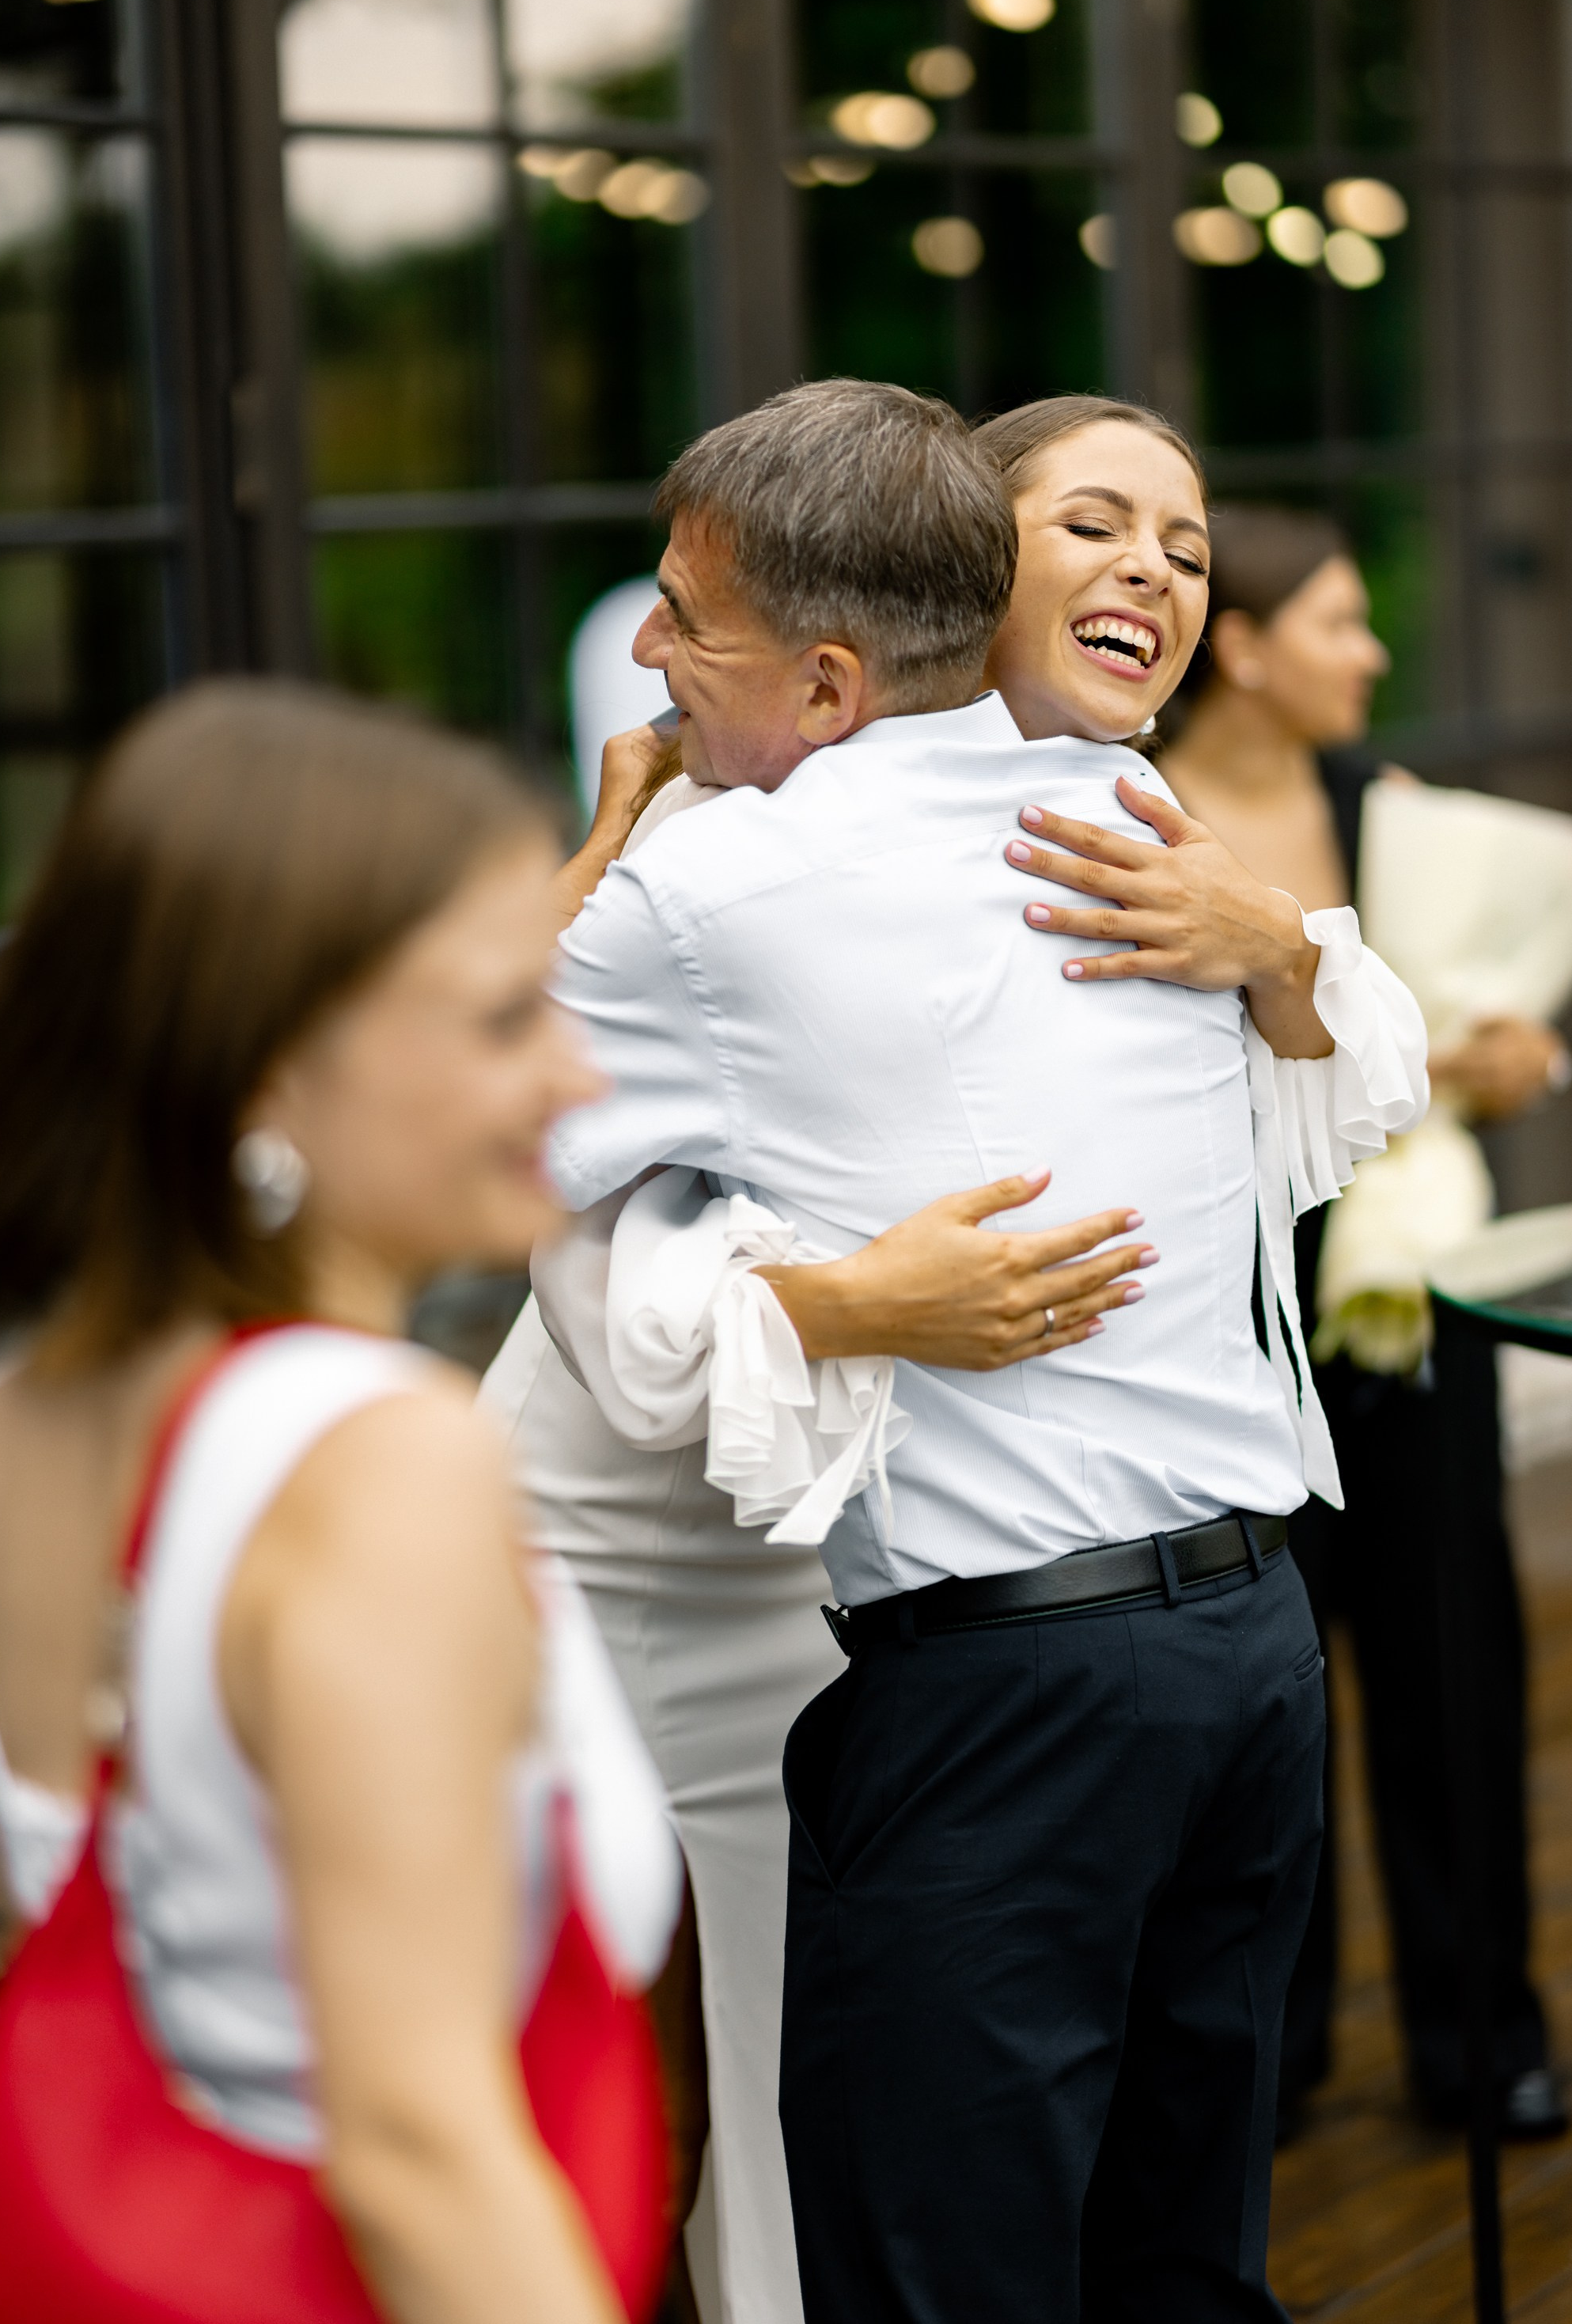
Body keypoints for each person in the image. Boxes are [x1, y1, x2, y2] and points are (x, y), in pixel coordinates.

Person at [539, 377, 1427, 2320]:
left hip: (1008, 1686)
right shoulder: (1117, 822)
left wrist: (601, 866)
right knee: (1177, 2255)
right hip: (1238, 1648)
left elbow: (458, 1115)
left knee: (944, 2270)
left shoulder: (763, 881)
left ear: (842, 664)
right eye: (1097, 524)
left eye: (687, 615)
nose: (654, 653)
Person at [0, 680, 684, 2323]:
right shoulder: (378, 1466)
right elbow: (416, 2150)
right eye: (506, 1018)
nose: (576, 1079)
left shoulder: (32, 1422)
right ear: (267, 1067)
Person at [485, 721, 1152, 2324]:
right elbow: (606, 1285)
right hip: (600, 1537)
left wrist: (1276, 957)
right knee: (582, 2069)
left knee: (800, 2077)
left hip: (819, 1572)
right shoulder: (692, 853)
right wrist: (858, 1301)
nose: (644, 669)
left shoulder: (1071, 843)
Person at [1146, 502, 1570, 2139]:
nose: (1369, 652)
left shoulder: (1378, 809)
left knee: (1452, 1673)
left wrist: (1502, 1061)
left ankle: (1482, 2047)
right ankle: (1273, 2058)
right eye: (1335, 622)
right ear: (1240, 652)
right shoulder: (1133, 813)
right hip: (1224, 1309)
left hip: (1409, 1298)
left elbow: (1421, 1033)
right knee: (1263, 1704)